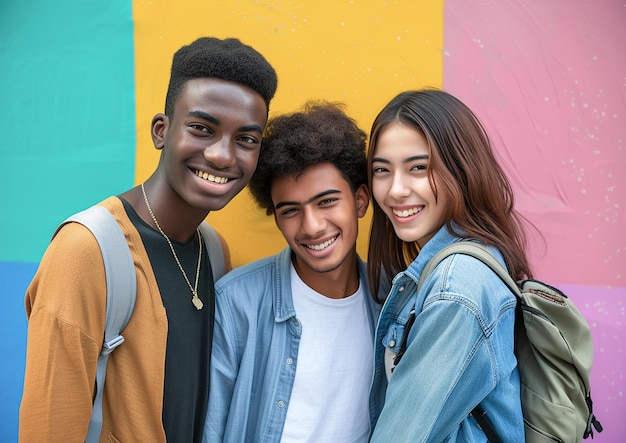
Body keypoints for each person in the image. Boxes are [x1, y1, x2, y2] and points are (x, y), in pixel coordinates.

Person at [19, 37, 277, 442]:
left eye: (246, 139)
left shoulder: (213, 251)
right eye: (201, 129)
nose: (223, 156)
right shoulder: (86, 251)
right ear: (162, 131)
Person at [203, 102, 384, 443]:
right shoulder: (236, 304)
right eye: (290, 210)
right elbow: (211, 428)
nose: (312, 226)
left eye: (327, 201)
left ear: (360, 201)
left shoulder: (392, 304)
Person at [366, 88, 530, 441]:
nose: (395, 190)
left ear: (462, 169)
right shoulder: (466, 263)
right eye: (382, 170)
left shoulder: (456, 287)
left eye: (419, 168)